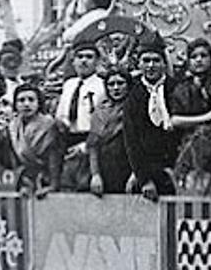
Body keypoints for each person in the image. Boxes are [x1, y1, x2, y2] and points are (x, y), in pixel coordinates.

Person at [122, 32, 181, 200]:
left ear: (164, 63)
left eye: (156, 60)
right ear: (139, 64)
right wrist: (143, 179)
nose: (151, 65)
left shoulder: (176, 88)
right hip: (145, 170)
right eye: (146, 60)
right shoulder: (134, 95)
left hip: (173, 169)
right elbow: (131, 139)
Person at [55, 42, 105, 192]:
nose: (84, 61)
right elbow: (61, 115)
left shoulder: (102, 86)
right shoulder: (69, 85)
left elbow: (103, 123)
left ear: (97, 61)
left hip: (91, 144)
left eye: (89, 57)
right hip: (68, 144)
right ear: (73, 61)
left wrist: (85, 147)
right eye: (80, 57)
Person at [8, 84, 62, 197]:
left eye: (31, 100)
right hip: (22, 179)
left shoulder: (49, 124)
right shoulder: (13, 126)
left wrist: (53, 185)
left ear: (38, 103)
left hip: (46, 178)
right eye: (21, 100)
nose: (26, 104)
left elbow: (55, 156)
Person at [87, 68, 133, 197]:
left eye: (120, 83)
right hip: (105, 167)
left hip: (128, 167)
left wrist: (136, 174)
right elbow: (93, 145)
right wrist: (95, 174)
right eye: (111, 84)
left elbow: (141, 145)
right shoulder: (100, 110)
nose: (116, 88)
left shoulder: (136, 109)